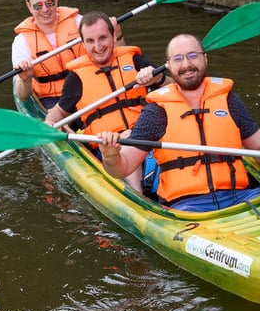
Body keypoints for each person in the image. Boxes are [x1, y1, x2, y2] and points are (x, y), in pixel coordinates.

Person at [99, 33, 260, 212]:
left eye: (192, 55)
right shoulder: (157, 111)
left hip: (241, 196)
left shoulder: (229, 100)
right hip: (188, 206)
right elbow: (122, 168)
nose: (187, 64)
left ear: (205, 59)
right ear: (169, 66)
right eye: (178, 59)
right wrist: (109, 156)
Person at [44, 11, 169, 190]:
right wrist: (49, 122)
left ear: (113, 35)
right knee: (125, 141)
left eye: (103, 38)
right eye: (90, 41)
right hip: (109, 144)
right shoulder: (76, 78)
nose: (98, 46)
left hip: (146, 133)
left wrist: (158, 79)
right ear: (83, 44)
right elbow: (60, 111)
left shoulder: (134, 61)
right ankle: (138, 197)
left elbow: (176, 90)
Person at [12, 0, 90, 109]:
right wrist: (25, 79)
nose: (45, 10)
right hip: (52, 98)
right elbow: (23, 96)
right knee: (63, 116)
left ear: (56, 0)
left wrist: (115, 34)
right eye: (38, 6)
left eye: (49, 3)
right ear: (29, 6)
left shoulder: (79, 23)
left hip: (86, 85)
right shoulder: (21, 42)